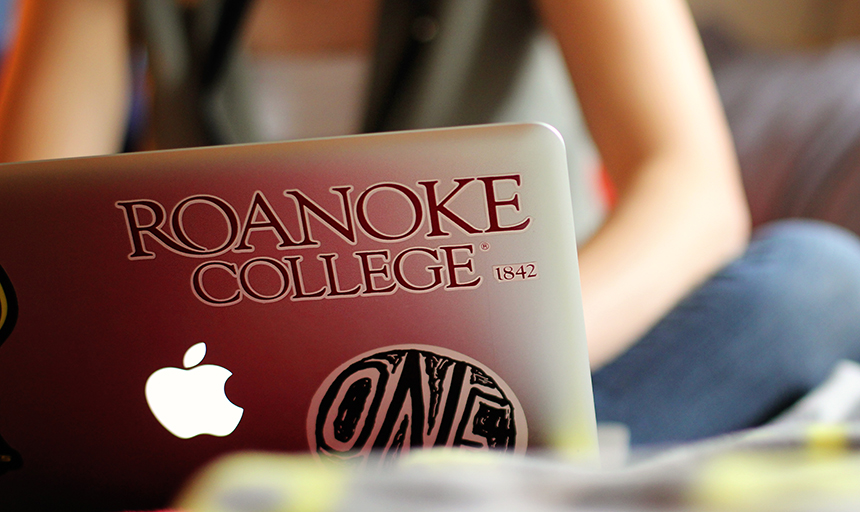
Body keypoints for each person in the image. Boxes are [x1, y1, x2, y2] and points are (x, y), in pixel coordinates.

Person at [3, 0, 860, 445]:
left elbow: (692, 194)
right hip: (226, 391)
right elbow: (31, 242)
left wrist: (490, 373)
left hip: (531, 375)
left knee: (814, 283)